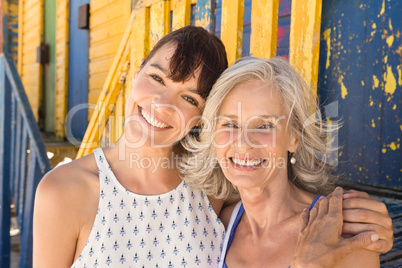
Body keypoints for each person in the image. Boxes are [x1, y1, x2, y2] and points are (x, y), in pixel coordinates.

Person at [33, 27, 392, 268]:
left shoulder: (211, 192)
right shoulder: (63, 192)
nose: (162, 104)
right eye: (156, 77)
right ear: (136, 72)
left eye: (188, 97)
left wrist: (370, 224)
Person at [180, 56, 391, 267]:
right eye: (230, 124)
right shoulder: (218, 226)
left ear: (294, 137)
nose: (243, 144)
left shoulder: (341, 234)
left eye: (264, 126)